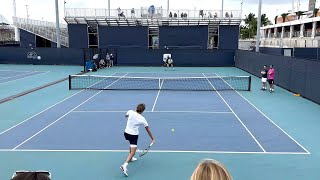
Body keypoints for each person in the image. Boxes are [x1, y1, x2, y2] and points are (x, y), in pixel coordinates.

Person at [120, 103, 155, 177]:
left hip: (126, 133)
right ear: (143, 111)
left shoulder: (130, 112)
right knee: (133, 151)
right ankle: (124, 165)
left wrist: (132, 114)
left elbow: (126, 116)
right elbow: (148, 130)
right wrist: (152, 138)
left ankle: (131, 158)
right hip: (133, 135)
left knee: (131, 145)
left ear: (136, 108)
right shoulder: (142, 119)